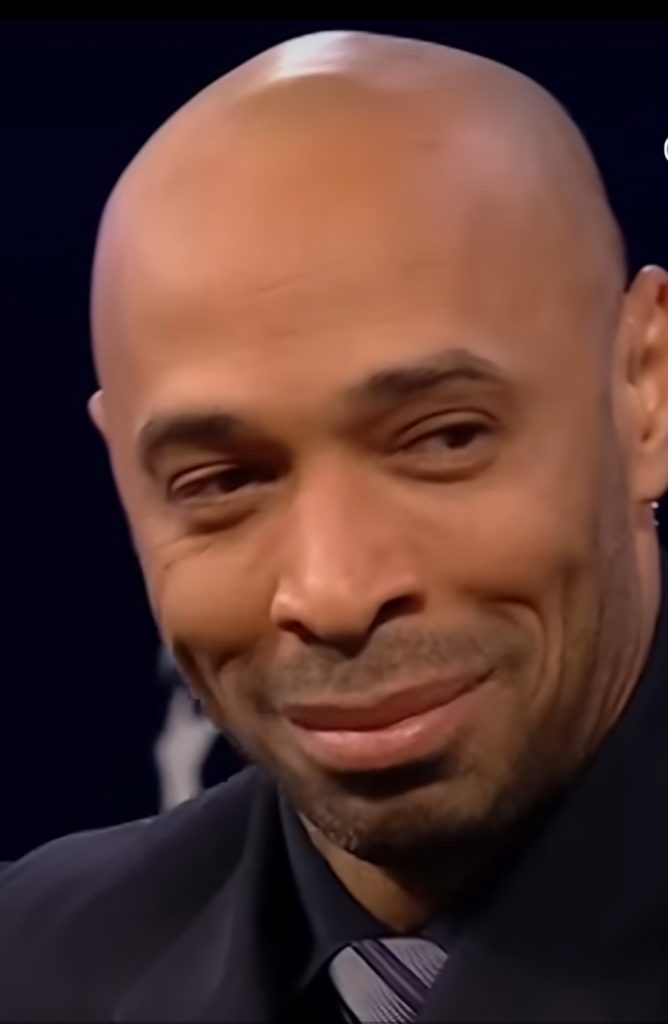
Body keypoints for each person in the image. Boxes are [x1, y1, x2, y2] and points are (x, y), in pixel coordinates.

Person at [1, 29, 667, 1022]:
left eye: (443, 438)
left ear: (644, 394)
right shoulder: (31, 968)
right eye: (222, 481)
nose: (334, 590)